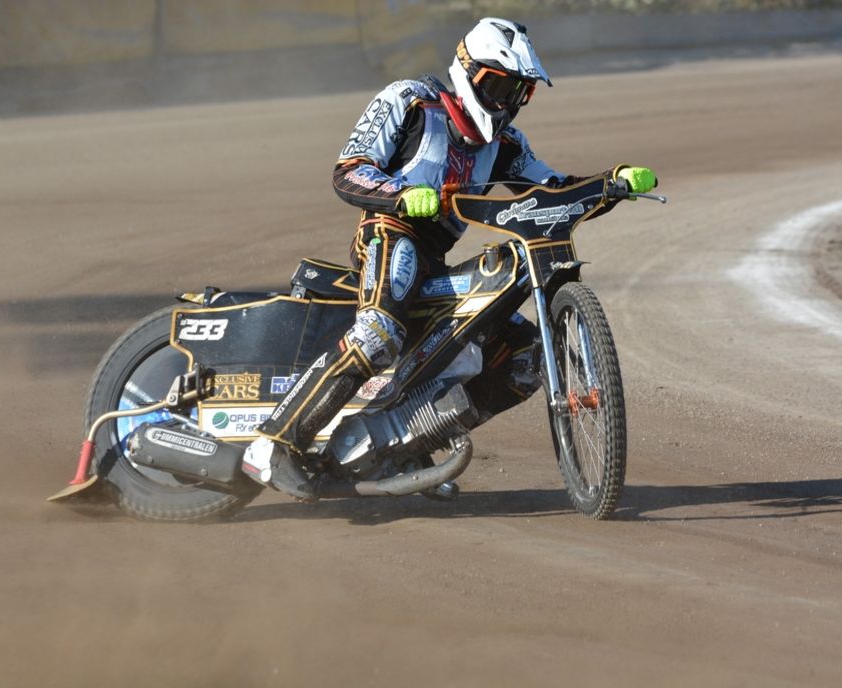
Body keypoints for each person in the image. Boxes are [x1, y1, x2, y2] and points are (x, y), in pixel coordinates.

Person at [242, 17, 658, 500]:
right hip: (388, 233)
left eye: (517, 92)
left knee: (524, 360)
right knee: (379, 331)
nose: (505, 102)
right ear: (467, 71)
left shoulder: (504, 145)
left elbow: (549, 191)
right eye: (498, 85)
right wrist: (401, 196)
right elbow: (348, 171)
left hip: (434, 258)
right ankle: (272, 444)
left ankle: (402, 444)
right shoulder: (412, 101)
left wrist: (611, 182)